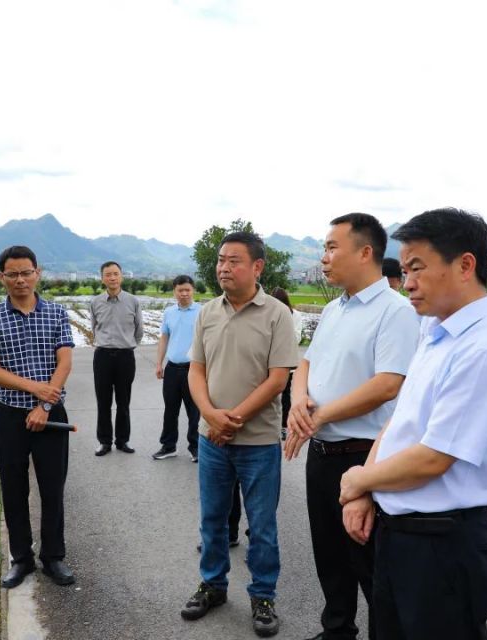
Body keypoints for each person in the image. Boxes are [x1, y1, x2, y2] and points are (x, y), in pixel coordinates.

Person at [339, 208, 487, 639]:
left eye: (418, 268)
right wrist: (366, 488)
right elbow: (400, 420)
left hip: (443, 547)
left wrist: (359, 480)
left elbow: (433, 458)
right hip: (400, 534)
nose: (407, 282)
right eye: (404, 270)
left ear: (465, 265)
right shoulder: (434, 331)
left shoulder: (485, 350)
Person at [285, 212, 419, 640]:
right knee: (329, 555)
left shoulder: (395, 311)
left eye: (330, 248)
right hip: (322, 454)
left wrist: (320, 414)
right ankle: (337, 629)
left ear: (365, 253)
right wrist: (298, 400)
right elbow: (306, 362)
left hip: (364, 456)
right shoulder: (333, 309)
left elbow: (387, 384)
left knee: (371, 564)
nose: (324, 258)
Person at [180, 231, 299, 638]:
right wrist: (211, 415)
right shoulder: (207, 312)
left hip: (259, 441)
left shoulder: (277, 314)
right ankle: (212, 585)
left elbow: (278, 377)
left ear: (257, 267)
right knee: (212, 519)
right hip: (212, 438)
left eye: (233, 261)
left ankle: (263, 595)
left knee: (262, 525)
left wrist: (234, 418)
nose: (223, 268)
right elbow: (196, 370)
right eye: (220, 260)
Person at [0, 245, 76, 589]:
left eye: (26, 272)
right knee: (14, 489)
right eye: (13, 274)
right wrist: (35, 389)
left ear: (38, 273)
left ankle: (53, 557)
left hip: (50, 415)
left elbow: (64, 362)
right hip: (9, 416)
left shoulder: (57, 314)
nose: (20, 280)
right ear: (1, 277)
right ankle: (21, 559)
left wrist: (44, 406)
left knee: (52, 488)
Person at [90, 261, 144, 456]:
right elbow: (94, 326)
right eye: (107, 274)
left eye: (115, 274)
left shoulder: (133, 301)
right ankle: (104, 441)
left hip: (125, 357)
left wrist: (127, 344)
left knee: (123, 401)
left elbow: (139, 330)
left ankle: (122, 441)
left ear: (121, 276)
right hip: (102, 356)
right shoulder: (96, 302)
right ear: (102, 278)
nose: (112, 277)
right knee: (103, 401)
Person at [153, 275, 202, 461]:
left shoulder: (201, 311)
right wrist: (159, 363)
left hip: (194, 368)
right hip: (172, 368)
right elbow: (164, 337)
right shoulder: (169, 312)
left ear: (193, 290)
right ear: (174, 291)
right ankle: (168, 446)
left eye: (187, 290)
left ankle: (196, 447)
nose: (184, 293)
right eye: (180, 290)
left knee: (194, 411)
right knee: (170, 409)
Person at [270, 286, 303, 439]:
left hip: (286, 363)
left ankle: (284, 426)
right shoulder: (267, 313)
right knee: (268, 395)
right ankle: (270, 426)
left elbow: (296, 337)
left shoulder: (295, 315)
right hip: (268, 363)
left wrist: (278, 340)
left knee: (285, 396)